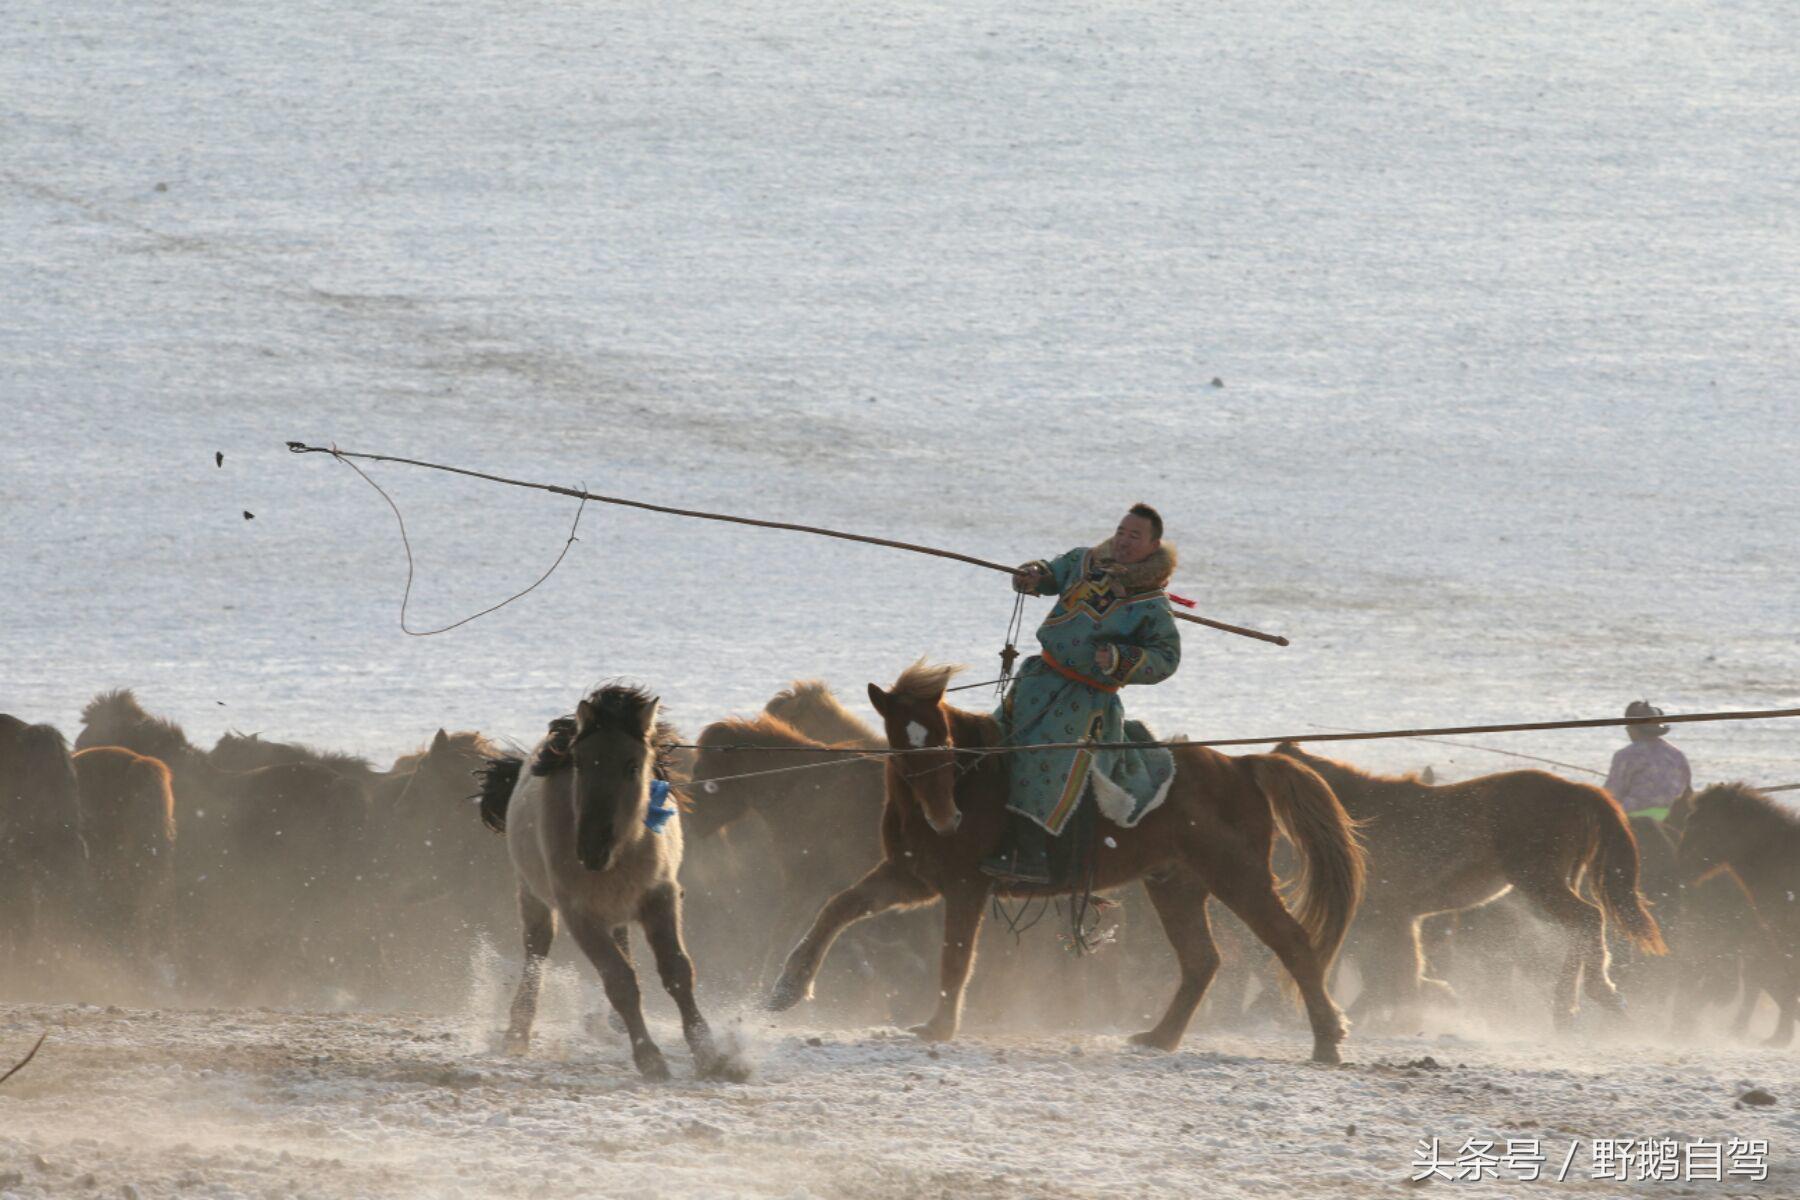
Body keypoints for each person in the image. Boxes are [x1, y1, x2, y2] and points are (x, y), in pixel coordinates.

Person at [981, 504, 1181, 886]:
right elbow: (1051, 573)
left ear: (1153, 545)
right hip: (1039, 679)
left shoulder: (1152, 606)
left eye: (1134, 536)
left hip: (1087, 699)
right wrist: (1033, 575)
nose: (1123, 540)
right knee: (993, 740)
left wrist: (1122, 658)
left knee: (1045, 753)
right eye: (1121, 531)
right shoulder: (1085, 561)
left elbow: (1167, 658)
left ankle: (1032, 853)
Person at [1603, 700, 1692, 815]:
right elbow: (1688, 791)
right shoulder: (1677, 754)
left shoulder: (1625, 756)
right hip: (1673, 817)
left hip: (1637, 818)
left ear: (1633, 728)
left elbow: (1611, 795)